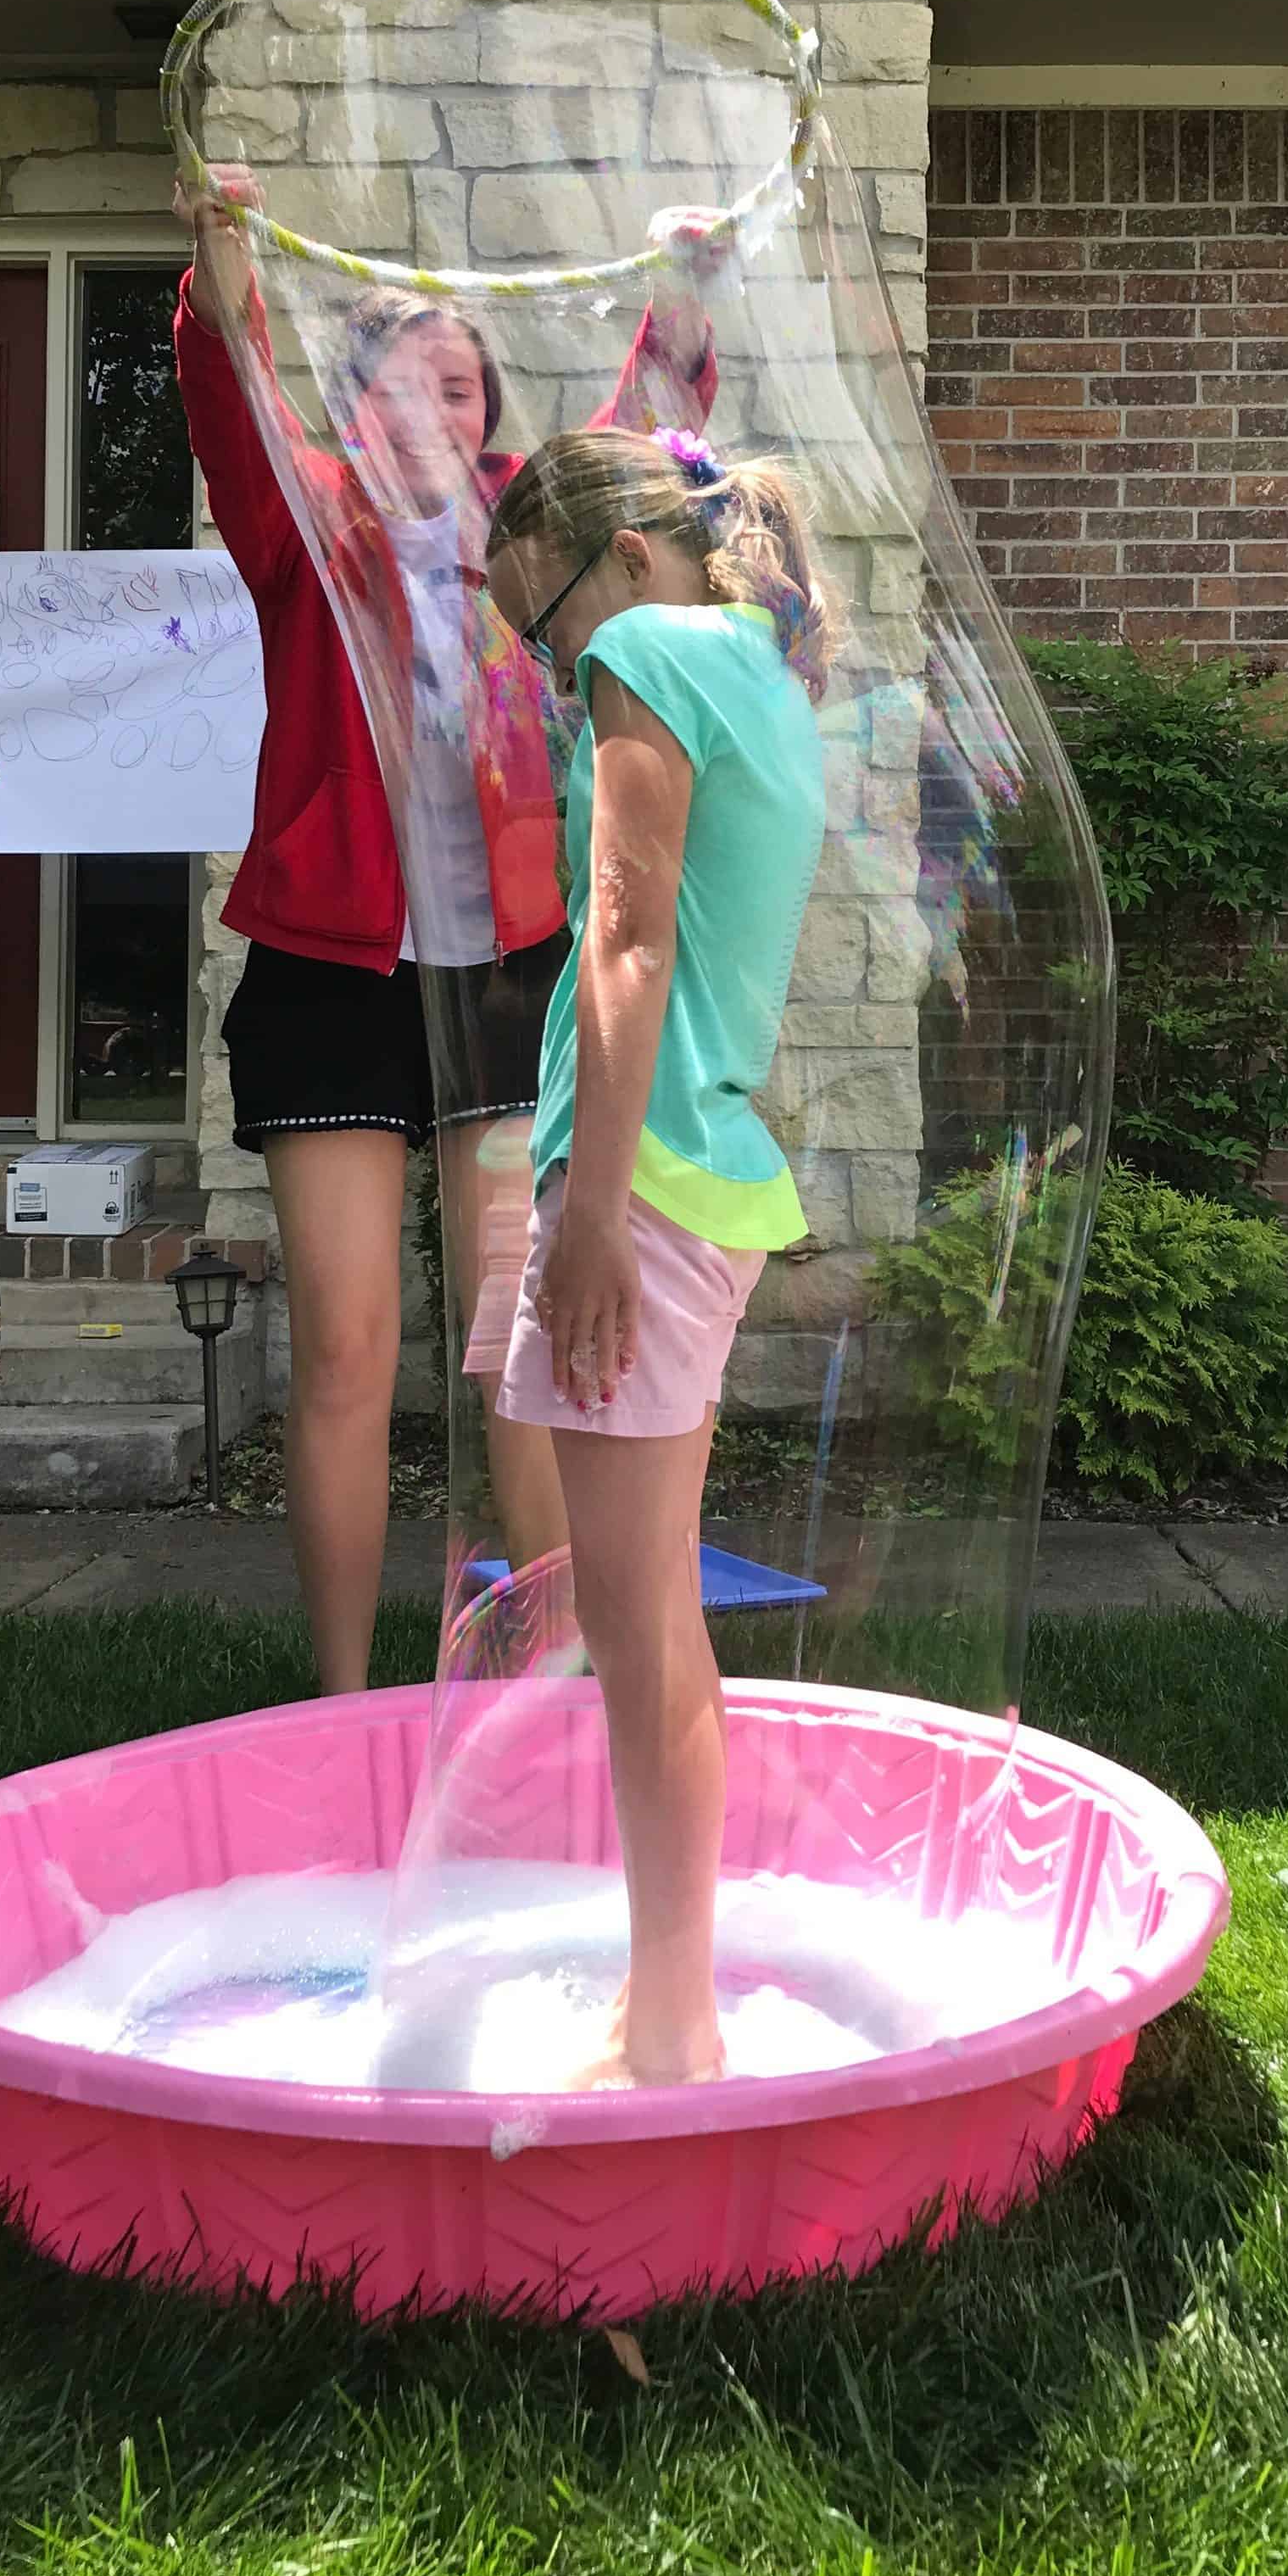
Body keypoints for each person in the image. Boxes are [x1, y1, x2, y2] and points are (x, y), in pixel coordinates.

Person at [171, 171, 717, 1692]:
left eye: (467, 359)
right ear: (356, 401)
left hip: (500, 987)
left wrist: (682, 302)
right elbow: (230, 390)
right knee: (348, 1353)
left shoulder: (523, 537)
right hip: (331, 982)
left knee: (519, 1352)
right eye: (414, 354)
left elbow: (641, 449)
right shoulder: (307, 520)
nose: (450, 367)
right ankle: (342, 1704)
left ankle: (545, 1684)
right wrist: (220, 257)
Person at [481, 423, 831, 2086]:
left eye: (535, 629)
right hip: (705, 1176)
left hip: (648, 1179)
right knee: (639, 1606)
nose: (549, 669)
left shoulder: (642, 645)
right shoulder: (755, 660)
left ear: (620, 562)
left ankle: (670, 2027)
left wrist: (598, 1217)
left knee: (644, 1632)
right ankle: (665, 1999)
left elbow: (626, 932)